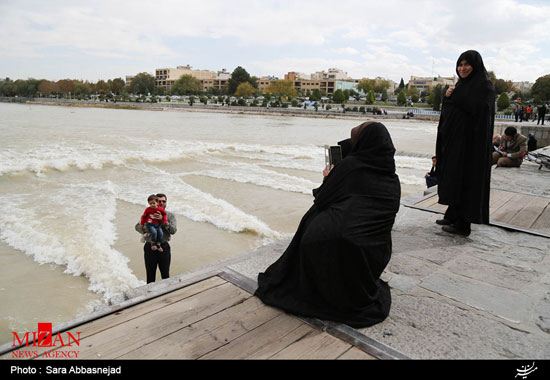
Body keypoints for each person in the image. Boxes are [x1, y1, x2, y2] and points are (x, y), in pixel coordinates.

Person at [255, 122, 401, 328]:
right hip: (372, 252)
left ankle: (318, 290)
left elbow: (322, 199)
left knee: (313, 215)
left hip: (329, 245)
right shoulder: (392, 179)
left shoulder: (349, 166)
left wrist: (328, 178)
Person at [434, 50, 495, 237]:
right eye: (460, 65)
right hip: (457, 144)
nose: (462, 68)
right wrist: (449, 95)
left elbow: (476, 110)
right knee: (454, 178)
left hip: (471, 148)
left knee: (466, 182)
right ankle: (452, 214)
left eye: (466, 64)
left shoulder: (484, 86)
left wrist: (454, 96)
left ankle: (463, 224)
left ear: (475, 65)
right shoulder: (463, 85)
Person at [135, 193, 177, 283]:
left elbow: (173, 231)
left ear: (166, 203)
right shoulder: (148, 212)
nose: (161, 203)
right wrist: (148, 226)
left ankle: (167, 295)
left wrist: (164, 221)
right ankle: (151, 296)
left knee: (165, 276)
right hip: (150, 247)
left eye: (164, 201)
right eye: (159, 201)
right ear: (155, 202)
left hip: (164, 247)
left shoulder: (170, 215)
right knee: (150, 276)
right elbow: (137, 227)